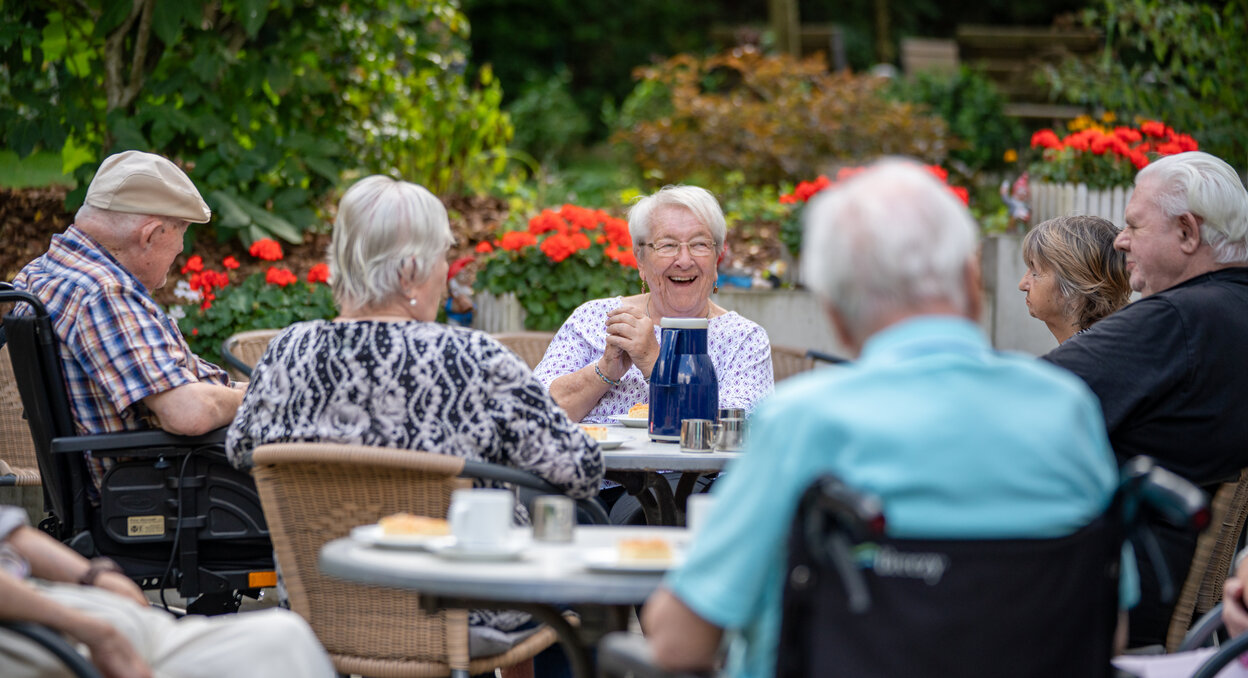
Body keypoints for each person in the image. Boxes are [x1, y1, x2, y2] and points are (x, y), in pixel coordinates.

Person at [640, 159, 1121, 676]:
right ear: (971, 277)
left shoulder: (804, 422)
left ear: (834, 309)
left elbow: (678, 643)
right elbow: (1109, 626)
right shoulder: (1066, 410)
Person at [225, 175, 603, 659]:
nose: (448, 273)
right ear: (410, 273)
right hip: (466, 609)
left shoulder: (286, 352)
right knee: (578, 562)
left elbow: (240, 451)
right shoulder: (473, 358)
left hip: (323, 606)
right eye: (444, 258)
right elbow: (582, 471)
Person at [1042, 151, 1248, 647]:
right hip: (1182, 595)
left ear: (1186, 233)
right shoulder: (1230, 311)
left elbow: (1025, 404)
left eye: (1134, 224)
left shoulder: (1179, 320)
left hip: (1103, 596)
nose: (1120, 239)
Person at [11, 151, 246, 489]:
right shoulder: (103, 294)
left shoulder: (41, 273)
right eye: (176, 248)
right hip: (166, 494)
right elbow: (187, 412)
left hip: (143, 488)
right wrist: (266, 398)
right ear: (149, 235)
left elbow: (185, 382)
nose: (172, 266)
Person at [0, 504, 334, 678]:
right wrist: (97, 632)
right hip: (43, 632)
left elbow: (9, 531)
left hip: (76, 614)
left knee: (284, 635)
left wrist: (96, 576)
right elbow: (188, 414)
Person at [534, 185, 773, 423]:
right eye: (667, 245)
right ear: (640, 259)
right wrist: (605, 370)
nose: (684, 260)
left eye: (699, 244)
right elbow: (534, 411)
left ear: (716, 258)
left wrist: (654, 362)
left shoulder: (743, 339)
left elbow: (740, 429)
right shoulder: (596, 318)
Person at [1018, 215, 1131, 343]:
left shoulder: (1083, 358)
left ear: (1075, 288)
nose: (1022, 285)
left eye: (1035, 273)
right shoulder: (1112, 342)